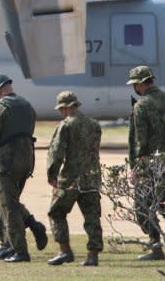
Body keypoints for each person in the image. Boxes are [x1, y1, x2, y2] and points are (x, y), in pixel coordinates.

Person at [126, 65, 165, 261]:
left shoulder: (141, 106)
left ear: (140, 84)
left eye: (135, 84)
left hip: (150, 163)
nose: (134, 87)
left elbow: (139, 141)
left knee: (143, 205)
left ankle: (155, 248)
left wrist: (135, 167)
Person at [0, 73, 37, 263]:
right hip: (27, 160)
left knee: (8, 207)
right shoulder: (26, 105)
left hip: (7, 162)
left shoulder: (1, 108)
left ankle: (20, 251)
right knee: (11, 202)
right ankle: (10, 245)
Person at [46, 91, 103, 267]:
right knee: (92, 217)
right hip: (92, 178)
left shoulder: (66, 125)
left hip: (70, 179)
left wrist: (52, 174)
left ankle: (65, 251)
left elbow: (56, 153)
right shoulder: (94, 125)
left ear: (68, 106)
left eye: (62, 109)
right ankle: (92, 255)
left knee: (56, 212)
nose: (61, 112)